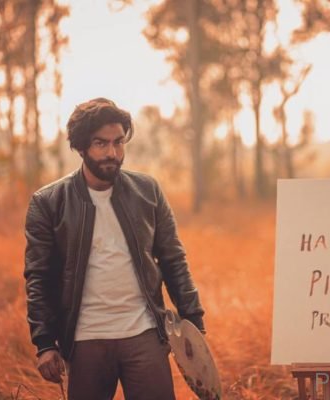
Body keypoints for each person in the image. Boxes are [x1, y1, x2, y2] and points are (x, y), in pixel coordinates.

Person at [23, 97, 205, 400]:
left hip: (145, 334)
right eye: (101, 144)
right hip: (84, 341)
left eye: (119, 142)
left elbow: (174, 259)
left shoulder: (147, 191)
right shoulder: (48, 203)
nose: (112, 152)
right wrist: (44, 344)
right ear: (81, 147)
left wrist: (194, 326)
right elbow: (38, 277)